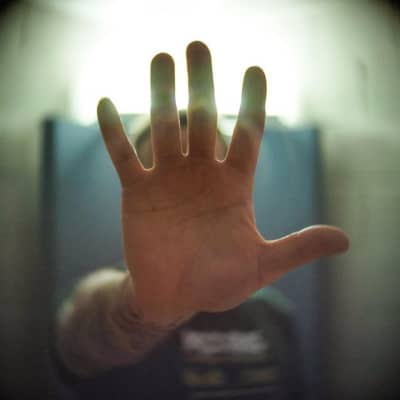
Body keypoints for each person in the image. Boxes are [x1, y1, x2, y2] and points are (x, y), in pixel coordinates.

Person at [54, 41, 349, 399]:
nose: (186, 196)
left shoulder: (273, 315)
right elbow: (80, 339)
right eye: (164, 178)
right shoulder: (115, 305)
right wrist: (137, 311)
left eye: (203, 179)